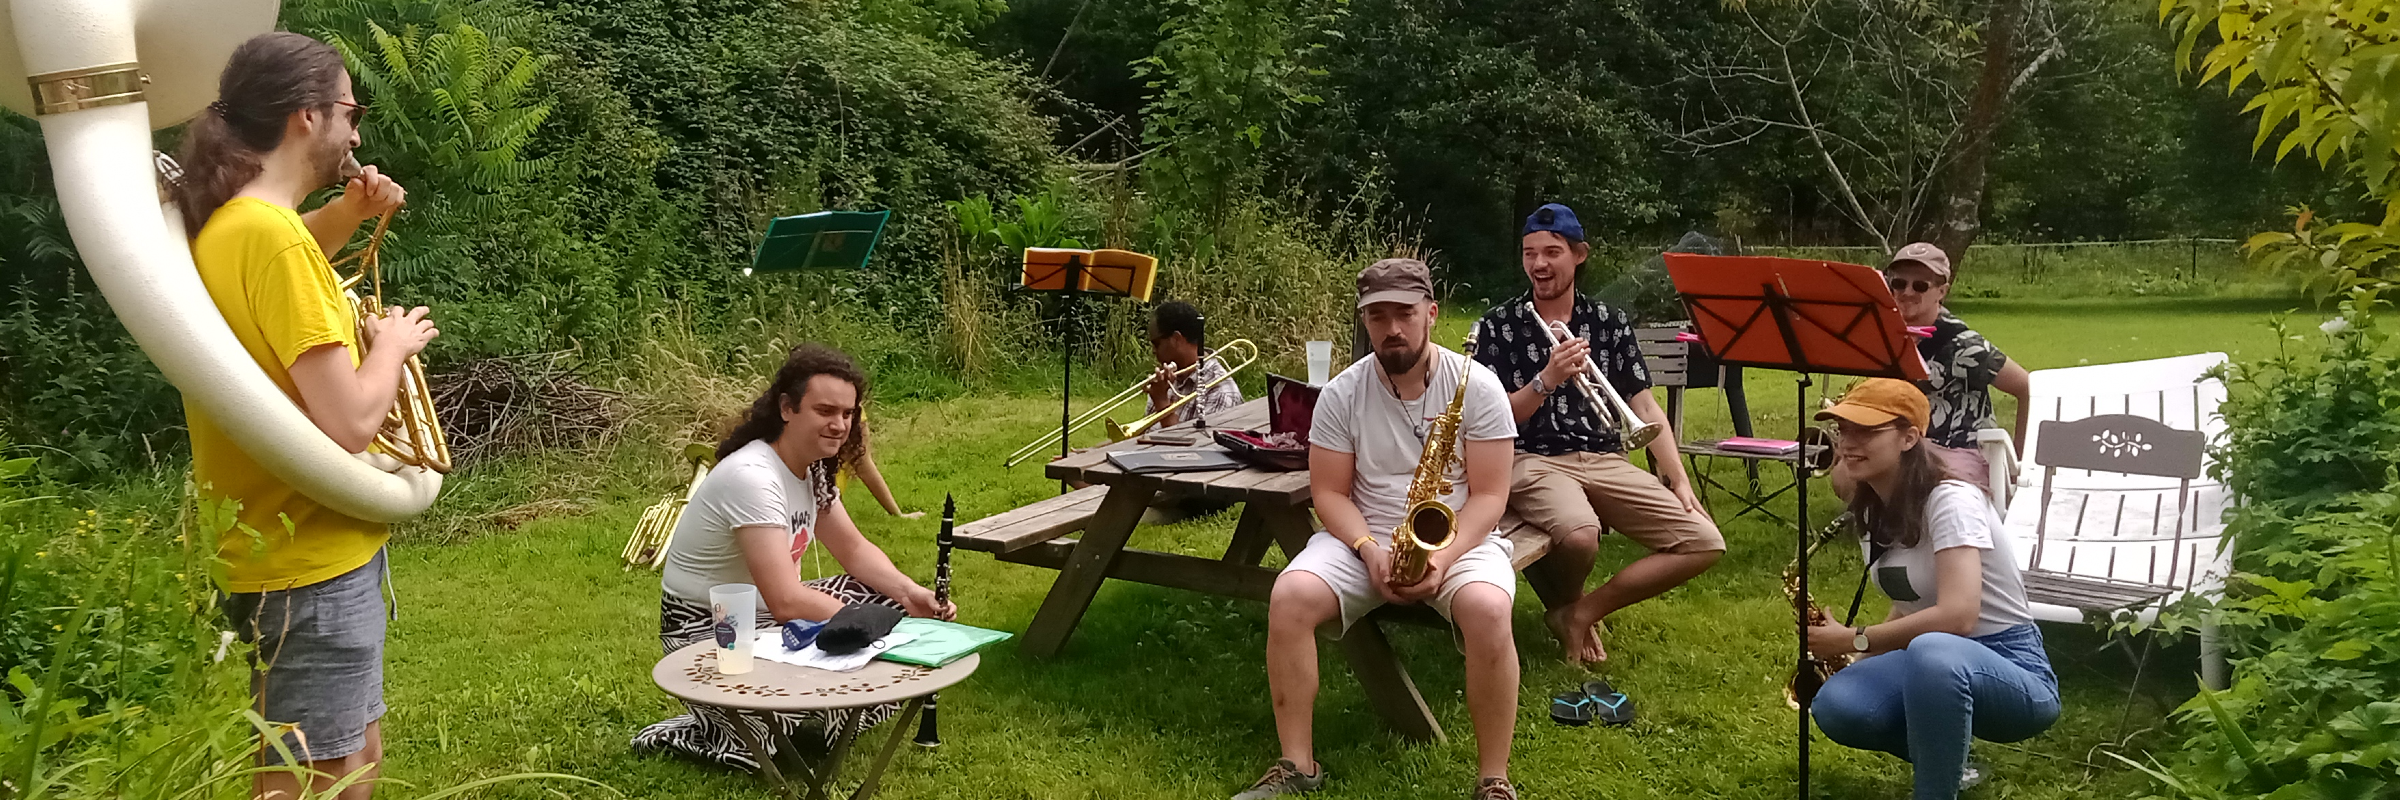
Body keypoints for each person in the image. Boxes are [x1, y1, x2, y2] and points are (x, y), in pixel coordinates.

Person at [177, 32, 427, 800]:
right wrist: (392, 344)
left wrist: (349, 211)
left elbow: (290, 261)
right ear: (304, 119)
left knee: (355, 758)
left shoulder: (239, 224)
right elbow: (351, 422)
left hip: (295, 548)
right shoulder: (272, 239)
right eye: (349, 112)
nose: (357, 134)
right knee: (311, 782)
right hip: (308, 562)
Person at [1236, 259, 1522, 800]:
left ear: (1431, 314)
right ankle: (1298, 767)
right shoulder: (1342, 393)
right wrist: (1368, 549)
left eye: (1404, 314)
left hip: (1459, 538)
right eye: (1377, 317)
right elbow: (1329, 495)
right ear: (1364, 321)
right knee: (1290, 595)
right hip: (1365, 536)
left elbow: (1490, 496)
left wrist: (1444, 555)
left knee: (1489, 610)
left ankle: (1494, 780)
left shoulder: (1478, 387)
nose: (1391, 328)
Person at [633, 344, 957, 770]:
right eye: (825, 411)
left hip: (768, 617)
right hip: (709, 623)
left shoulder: (815, 468)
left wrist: (911, 595)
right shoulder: (753, 477)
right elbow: (786, 599)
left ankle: (818, 718)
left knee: (889, 602)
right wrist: (865, 626)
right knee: (759, 751)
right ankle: (691, 732)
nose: (839, 425)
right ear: (787, 408)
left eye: (847, 414)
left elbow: (854, 549)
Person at [1469, 203, 1722, 665]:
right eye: (1529, 253)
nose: (1539, 264)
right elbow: (1488, 419)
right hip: (1531, 457)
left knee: (1704, 541)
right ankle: (1568, 610)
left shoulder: (1609, 321)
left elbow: (1643, 404)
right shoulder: (1498, 325)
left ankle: (1579, 612)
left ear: (1579, 255)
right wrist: (1545, 380)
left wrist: (1678, 478)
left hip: (1604, 456)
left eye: (1552, 252)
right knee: (1582, 535)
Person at [1809, 379, 2060, 800]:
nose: (1848, 443)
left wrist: (1853, 637)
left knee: (1932, 650)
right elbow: (1909, 603)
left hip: (2014, 667)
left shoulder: (1951, 500)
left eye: (1866, 431)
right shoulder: (1874, 503)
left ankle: (1935, 791)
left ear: (1909, 438)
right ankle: (1952, 761)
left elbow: (1957, 616)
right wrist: (1856, 656)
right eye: (1844, 430)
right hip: (1935, 663)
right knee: (1838, 704)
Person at [1883, 242, 2032, 485]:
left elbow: (2028, 387)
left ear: (1942, 291)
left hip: (1959, 450)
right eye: (1898, 283)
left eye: (1920, 285)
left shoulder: (1963, 344)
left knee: (1902, 478)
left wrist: (2020, 464)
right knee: (1845, 474)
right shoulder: (1885, 333)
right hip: (1906, 445)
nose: (1907, 292)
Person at [1142, 300, 1245, 427]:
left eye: (1156, 344)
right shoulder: (1170, 377)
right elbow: (1144, 435)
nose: (1153, 351)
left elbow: (1195, 446)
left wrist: (1161, 401)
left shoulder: (1221, 392)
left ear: (1176, 339)